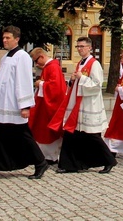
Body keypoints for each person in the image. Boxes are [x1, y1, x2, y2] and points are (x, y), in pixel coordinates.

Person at [0, 26, 47, 181]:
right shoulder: (6, 57)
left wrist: (25, 105)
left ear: (17, 39)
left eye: (8, 38)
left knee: (23, 135)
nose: (4, 40)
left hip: (14, 104)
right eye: (3, 38)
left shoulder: (22, 56)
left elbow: (24, 81)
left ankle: (40, 162)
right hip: (3, 104)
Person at [49, 36, 116, 174]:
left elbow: (97, 84)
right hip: (77, 104)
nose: (79, 49)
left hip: (88, 104)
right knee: (72, 134)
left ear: (90, 47)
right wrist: (72, 80)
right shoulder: (80, 63)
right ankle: (70, 164)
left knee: (91, 135)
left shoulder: (94, 64)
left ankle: (109, 160)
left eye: (82, 46)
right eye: (78, 46)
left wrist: (82, 77)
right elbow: (77, 82)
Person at [28, 47, 66, 164]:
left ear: (42, 57)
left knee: (48, 130)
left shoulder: (53, 67)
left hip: (51, 105)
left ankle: (51, 156)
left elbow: (56, 87)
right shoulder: (49, 66)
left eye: (36, 60)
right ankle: (47, 155)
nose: (36, 64)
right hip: (45, 103)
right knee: (42, 129)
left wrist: (41, 83)